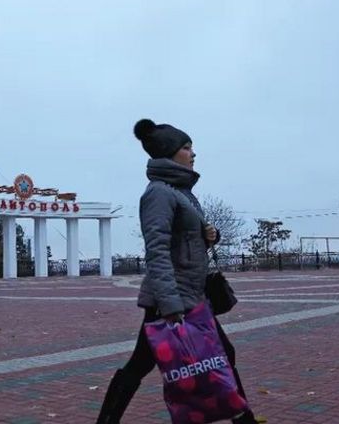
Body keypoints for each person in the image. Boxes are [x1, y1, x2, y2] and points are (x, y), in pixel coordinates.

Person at [96, 119, 258, 424]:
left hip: (191, 295)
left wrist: (210, 235)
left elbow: (183, 242)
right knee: (140, 365)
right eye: (186, 147)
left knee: (221, 355)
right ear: (169, 152)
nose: (193, 153)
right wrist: (170, 305)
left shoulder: (181, 192)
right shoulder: (158, 193)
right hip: (171, 300)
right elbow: (156, 251)